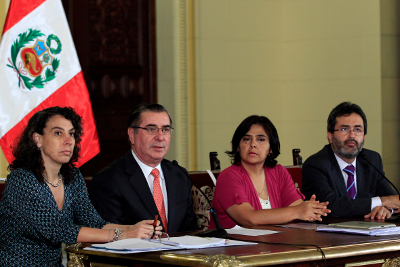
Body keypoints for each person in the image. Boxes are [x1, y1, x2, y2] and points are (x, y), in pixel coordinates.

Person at [0, 106, 162, 267]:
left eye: (71, 133)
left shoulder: (73, 177)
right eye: (58, 133)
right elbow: (59, 231)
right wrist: (124, 234)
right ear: (38, 139)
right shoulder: (22, 180)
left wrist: (138, 229)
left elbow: (94, 223)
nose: (68, 140)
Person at [89, 103, 199, 233]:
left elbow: (190, 229)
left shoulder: (179, 174)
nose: (160, 137)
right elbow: (109, 236)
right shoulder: (108, 180)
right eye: (151, 129)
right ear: (131, 134)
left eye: (165, 129)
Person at [210, 115, 330, 229]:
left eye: (260, 139)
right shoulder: (228, 176)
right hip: (234, 247)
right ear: (237, 146)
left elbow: (298, 208)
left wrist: (312, 210)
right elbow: (248, 219)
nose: (252, 144)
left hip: (274, 244)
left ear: (271, 148)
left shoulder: (279, 172)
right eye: (246, 139)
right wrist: (298, 211)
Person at [302, 102, 400, 219]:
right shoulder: (316, 164)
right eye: (344, 129)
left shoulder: (371, 160)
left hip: (368, 233)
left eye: (358, 129)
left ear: (364, 136)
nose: (352, 135)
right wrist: (380, 202)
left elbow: (393, 200)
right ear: (330, 136)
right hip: (330, 234)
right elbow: (330, 207)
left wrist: (385, 209)